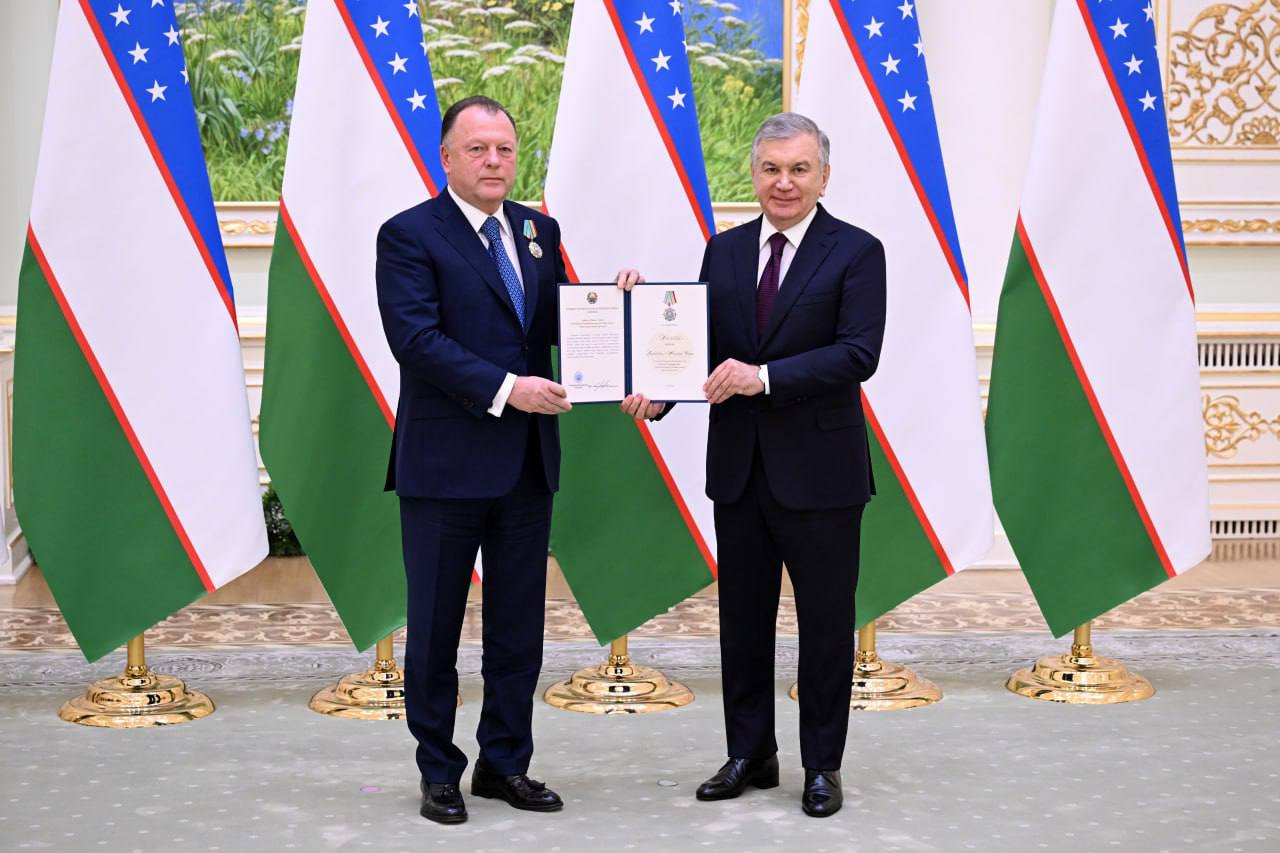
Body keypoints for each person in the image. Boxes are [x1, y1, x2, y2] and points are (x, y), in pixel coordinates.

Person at [621, 112, 886, 818]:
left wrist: (762, 377)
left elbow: (858, 353)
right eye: (771, 169)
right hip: (739, 470)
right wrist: (658, 389)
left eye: (799, 169)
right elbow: (702, 351)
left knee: (825, 625)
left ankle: (822, 764)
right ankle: (749, 752)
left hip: (823, 474)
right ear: (754, 174)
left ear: (824, 176)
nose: (784, 182)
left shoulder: (858, 252)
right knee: (742, 622)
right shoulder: (725, 250)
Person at [376, 96, 590, 825]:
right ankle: (439, 770)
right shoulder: (409, 234)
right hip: (445, 465)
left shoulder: (537, 230)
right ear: (447, 158)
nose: (494, 161)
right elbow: (417, 340)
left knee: (517, 628)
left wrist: (617, 308)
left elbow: (558, 324)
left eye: (504, 148)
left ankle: (505, 763)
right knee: (436, 627)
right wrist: (508, 388)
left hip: (526, 464)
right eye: (478, 149)